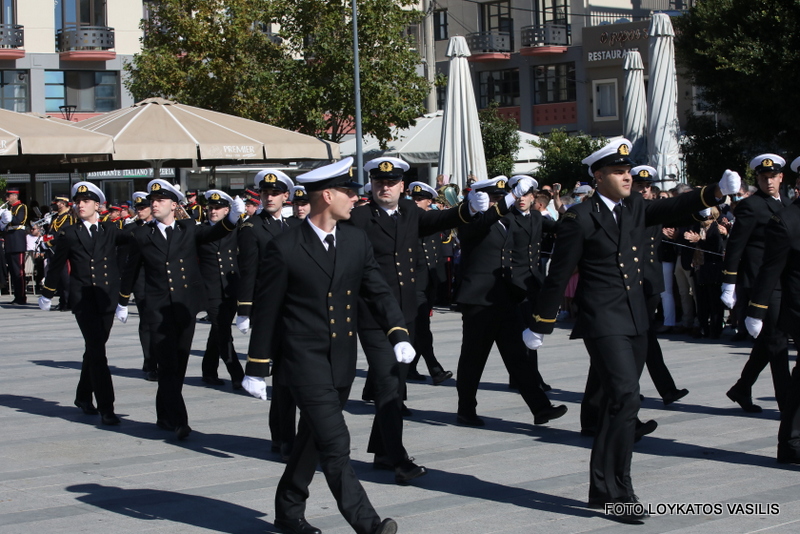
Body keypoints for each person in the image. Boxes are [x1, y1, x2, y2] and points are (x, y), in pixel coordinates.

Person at [525, 138, 739, 522]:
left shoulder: (635, 206)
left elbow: (671, 206)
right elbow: (560, 272)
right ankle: (619, 490)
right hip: (603, 320)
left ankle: (600, 486)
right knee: (627, 398)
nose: (627, 177)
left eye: (628, 171)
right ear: (598, 176)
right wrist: (542, 321)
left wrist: (714, 192)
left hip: (637, 317)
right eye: (619, 172)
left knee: (616, 403)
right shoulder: (580, 217)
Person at [241, 157, 409, 534]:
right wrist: (256, 367)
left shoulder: (355, 240)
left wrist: (397, 331)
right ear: (328, 196)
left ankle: (288, 511)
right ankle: (368, 524)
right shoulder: (285, 247)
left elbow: (377, 290)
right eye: (349, 191)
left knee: (311, 439)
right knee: (335, 443)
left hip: (342, 360)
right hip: (303, 362)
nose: (356, 197)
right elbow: (267, 309)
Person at [347, 156, 476, 485]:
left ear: (402, 186)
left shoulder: (409, 212)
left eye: (391, 183)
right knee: (389, 385)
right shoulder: (359, 217)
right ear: (371, 185)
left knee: (397, 384)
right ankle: (398, 459)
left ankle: (381, 450)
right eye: (379, 182)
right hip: (373, 316)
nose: (385, 188)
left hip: (406, 314)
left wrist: (471, 208)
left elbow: (439, 219)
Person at [118, 179, 242, 440]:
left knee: (179, 364)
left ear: (174, 205)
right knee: (168, 364)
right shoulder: (142, 234)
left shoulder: (188, 229)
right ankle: (179, 421)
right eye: (152, 201)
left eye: (160, 200)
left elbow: (213, 233)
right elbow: (131, 269)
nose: (154, 204)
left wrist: (232, 218)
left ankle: (163, 414)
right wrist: (122, 300)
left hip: (185, 307)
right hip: (158, 309)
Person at [454, 175, 566, 427]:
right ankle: (466, 409)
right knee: (473, 358)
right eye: (493, 198)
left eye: (500, 198)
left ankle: (540, 408)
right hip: (479, 301)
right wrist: (497, 203)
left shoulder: (508, 221)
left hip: (504, 298)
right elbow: (483, 223)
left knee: (518, 356)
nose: (498, 203)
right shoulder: (472, 221)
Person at [37, 182, 127, 425]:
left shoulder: (110, 229)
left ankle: (83, 396)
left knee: (94, 348)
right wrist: (47, 293)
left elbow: (135, 240)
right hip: (83, 300)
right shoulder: (69, 233)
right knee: (98, 351)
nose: (81, 205)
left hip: (106, 297)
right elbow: (56, 265)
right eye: (78, 202)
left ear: (98, 205)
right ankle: (106, 407)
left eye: (86, 201)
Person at [237, 169, 302, 458]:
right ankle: (284, 438)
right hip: (270, 311)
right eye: (265, 193)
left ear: (286, 196)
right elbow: (248, 271)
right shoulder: (252, 227)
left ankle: (283, 436)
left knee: (289, 376)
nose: (270, 197)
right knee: (283, 378)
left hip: (294, 309)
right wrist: (245, 310)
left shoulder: (292, 226)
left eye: (275, 193)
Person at [721, 154, 791, 413]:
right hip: (761, 283)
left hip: (783, 281)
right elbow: (735, 245)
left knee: (768, 341)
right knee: (777, 341)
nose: (768, 182)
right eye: (763, 178)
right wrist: (729, 283)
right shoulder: (751, 206)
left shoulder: (787, 204)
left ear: (781, 177)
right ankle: (787, 404)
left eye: (772, 177)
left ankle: (742, 388)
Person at [744, 156, 800, 463]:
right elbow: (769, 268)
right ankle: (791, 441)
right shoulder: (787, 220)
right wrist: (756, 309)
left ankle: (791, 441)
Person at [405, 181, 453, 385]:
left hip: (430, 282)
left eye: (420, 200)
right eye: (413, 199)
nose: (416, 203)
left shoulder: (434, 221)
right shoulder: (405, 222)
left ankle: (409, 368)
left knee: (419, 328)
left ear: (429, 202)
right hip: (413, 284)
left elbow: (439, 251)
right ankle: (435, 369)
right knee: (423, 328)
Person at [198, 190, 245, 389]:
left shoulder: (236, 229)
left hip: (231, 288)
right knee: (223, 331)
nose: (213, 211)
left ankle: (208, 371)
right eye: (211, 208)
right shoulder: (200, 230)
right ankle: (237, 375)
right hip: (210, 290)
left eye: (218, 208)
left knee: (217, 331)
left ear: (227, 210)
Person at [129, 192, 158, 381]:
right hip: (141, 281)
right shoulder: (132, 229)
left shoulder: (160, 227)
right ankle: (150, 363)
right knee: (147, 322)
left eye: (143, 207)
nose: (139, 211)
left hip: (159, 281)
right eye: (137, 208)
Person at [2, 188, 29, 304]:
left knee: (19, 272)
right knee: (13, 272)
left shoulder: (22, 207)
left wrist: (8, 217)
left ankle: (22, 297)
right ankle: (17, 296)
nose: (7, 198)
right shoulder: (9, 208)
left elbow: (19, 220)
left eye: (9, 196)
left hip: (18, 242)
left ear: (15, 196)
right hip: (9, 242)